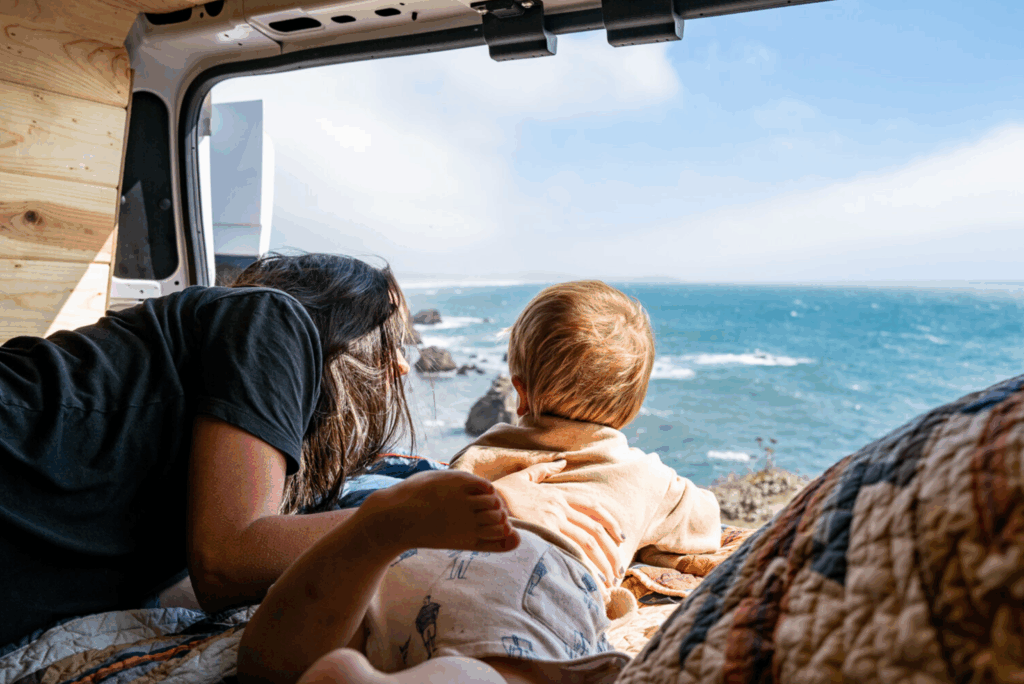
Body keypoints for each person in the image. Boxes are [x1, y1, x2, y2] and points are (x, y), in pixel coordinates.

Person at [0, 254, 606, 650]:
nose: (400, 363)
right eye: (388, 336)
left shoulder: (214, 459)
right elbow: (227, 562)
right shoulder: (273, 317)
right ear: (338, 316)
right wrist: (421, 515)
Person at [238, 280, 722, 684]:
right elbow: (707, 525)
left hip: (420, 557)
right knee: (502, 669)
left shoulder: (482, 449)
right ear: (633, 409)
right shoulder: (647, 477)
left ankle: (333, 654)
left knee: (382, 623)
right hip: (535, 571)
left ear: (520, 392)